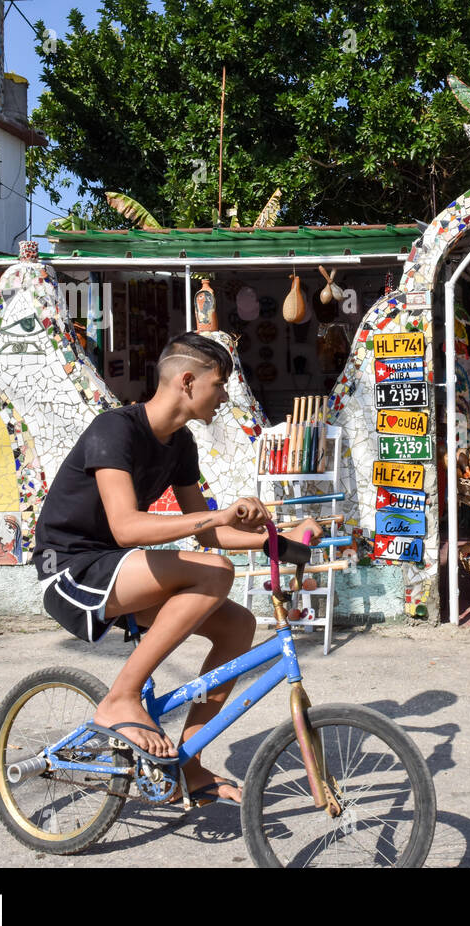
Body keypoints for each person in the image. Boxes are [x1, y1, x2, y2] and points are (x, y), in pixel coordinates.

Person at [32, 332, 320, 807]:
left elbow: (209, 533)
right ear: (188, 381)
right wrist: (217, 515)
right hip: (71, 569)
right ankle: (120, 697)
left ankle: (190, 762)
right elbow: (126, 527)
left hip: (122, 568)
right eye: (220, 382)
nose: (225, 395)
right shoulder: (115, 430)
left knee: (238, 625)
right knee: (214, 572)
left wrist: (280, 542)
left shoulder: (180, 443)